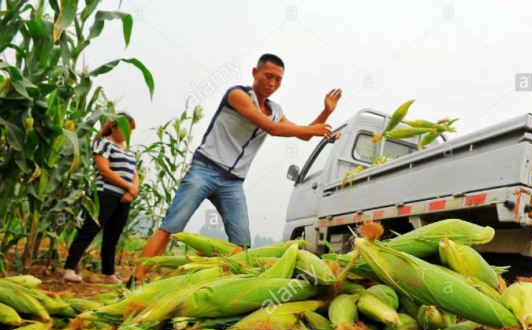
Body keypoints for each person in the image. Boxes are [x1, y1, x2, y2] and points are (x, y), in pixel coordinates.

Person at [128, 53, 341, 287]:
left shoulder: (276, 110)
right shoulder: (237, 95)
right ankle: (135, 280)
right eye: (268, 76)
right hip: (204, 170)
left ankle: (227, 285)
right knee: (171, 227)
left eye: (278, 79)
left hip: (233, 182)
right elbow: (271, 128)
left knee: (242, 244)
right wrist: (310, 129)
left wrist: (326, 112)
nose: (272, 83)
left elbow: (305, 134)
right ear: (255, 73)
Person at [64, 113, 139, 283]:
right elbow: (104, 171)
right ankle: (69, 270)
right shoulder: (103, 143)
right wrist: (129, 187)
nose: (130, 133)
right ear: (113, 127)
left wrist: (133, 191)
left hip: (124, 199)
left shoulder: (128, 151)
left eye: (132, 130)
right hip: (105, 195)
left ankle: (109, 275)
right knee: (89, 231)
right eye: (127, 129)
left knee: (112, 237)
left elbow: (134, 174)